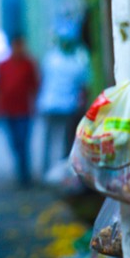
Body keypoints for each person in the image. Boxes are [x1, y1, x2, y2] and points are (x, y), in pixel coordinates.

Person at [35, 18, 90, 177]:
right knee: (66, 143)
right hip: (68, 107)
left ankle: (47, 172)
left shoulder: (50, 59)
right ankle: (65, 174)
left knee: (49, 141)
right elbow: (84, 87)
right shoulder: (77, 63)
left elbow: (42, 79)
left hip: (49, 105)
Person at [0, 34, 40, 184]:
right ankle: (21, 171)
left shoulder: (28, 64)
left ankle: (25, 175)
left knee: (23, 141)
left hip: (24, 110)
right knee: (14, 143)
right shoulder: (3, 65)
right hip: (8, 110)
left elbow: (35, 86)